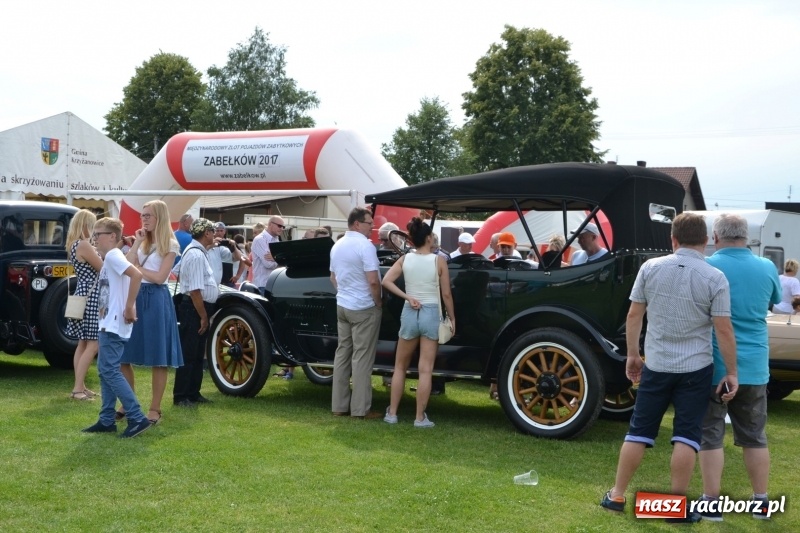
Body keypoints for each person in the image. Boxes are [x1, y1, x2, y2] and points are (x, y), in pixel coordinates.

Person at [600, 212, 738, 524]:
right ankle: (675, 506)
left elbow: (634, 315)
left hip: (658, 362)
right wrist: (732, 372)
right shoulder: (715, 277)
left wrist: (633, 355)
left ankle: (617, 494)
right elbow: (724, 330)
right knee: (686, 436)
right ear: (705, 242)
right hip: (696, 366)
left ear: (672, 239)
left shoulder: (650, 268)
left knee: (639, 431)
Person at [698, 213, 781, 521]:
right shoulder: (767, 266)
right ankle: (761, 502)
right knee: (755, 436)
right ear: (747, 237)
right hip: (756, 365)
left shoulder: (708, 266)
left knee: (710, 434)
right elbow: (774, 301)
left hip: (715, 363)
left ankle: (711, 503)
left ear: (715, 237)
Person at [381, 217, 455, 428]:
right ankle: (419, 417)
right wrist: (453, 317)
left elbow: (386, 281)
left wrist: (407, 297)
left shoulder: (406, 259)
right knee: (425, 369)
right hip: (431, 312)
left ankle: (392, 413)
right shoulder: (438, 260)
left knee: (399, 367)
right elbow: (446, 294)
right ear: (429, 238)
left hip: (410, 311)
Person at [81, 217, 150, 438]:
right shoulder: (115, 256)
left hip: (113, 323)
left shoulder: (112, 255)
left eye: (97, 235)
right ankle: (106, 419)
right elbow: (129, 265)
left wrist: (130, 307)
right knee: (105, 371)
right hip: (109, 323)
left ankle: (137, 417)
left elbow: (136, 275)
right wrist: (137, 243)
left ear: (111, 236)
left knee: (109, 370)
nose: (94, 241)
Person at [119, 200, 184, 425]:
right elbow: (127, 266)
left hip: (156, 299)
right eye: (142, 215)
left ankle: (155, 408)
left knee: (159, 357)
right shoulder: (144, 241)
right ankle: (128, 403)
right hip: (135, 295)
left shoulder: (171, 244)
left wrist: (137, 269)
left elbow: (159, 277)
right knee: (123, 353)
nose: (144, 219)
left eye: (148, 215)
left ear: (159, 217)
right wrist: (136, 243)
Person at [329, 207, 383, 419]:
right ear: (357, 224)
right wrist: (377, 302)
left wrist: (344, 292)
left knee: (342, 355)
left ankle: (339, 406)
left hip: (342, 304)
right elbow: (373, 280)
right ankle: (360, 410)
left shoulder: (338, 245)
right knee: (361, 358)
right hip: (363, 306)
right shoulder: (365, 246)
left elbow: (333, 277)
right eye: (370, 223)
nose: (372, 227)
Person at [173, 218, 220, 407]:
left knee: (198, 352)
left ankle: (193, 392)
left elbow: (177, 271)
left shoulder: (197, 253)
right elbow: (194, 290)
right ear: (206, 233)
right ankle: (181, 395)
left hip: (197, 307)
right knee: (189, 352)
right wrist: (203, 316)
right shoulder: (196, 255)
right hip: (194, 308)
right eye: (212, 231)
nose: (215, 235)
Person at [65, 209, 103, 401]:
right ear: (86, 225)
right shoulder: (84, 245)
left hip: (83, 293)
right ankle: (78, 388)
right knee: (93, 344)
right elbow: (102, 268)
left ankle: (79, 386)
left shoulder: (74, 244)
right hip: (92, 296)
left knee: (83, 342)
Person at [251, 216, 284, 291]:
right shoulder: (260, 239)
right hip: (262, 285)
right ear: (270, 224)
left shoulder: (276, 239)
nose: (281, 229)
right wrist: (280, 259)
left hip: (274, 285)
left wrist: (276, 258)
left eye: (283, 226)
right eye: (279, 226)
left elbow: (282, 263)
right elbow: (268, 264)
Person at [209, 221, 244, 288]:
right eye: (217, 231)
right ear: (213, 232)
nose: (219, 233)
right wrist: (212, 244)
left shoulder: (229, 243)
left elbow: (242, 259)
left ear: (225, 231)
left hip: (227, 280)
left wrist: (237, 276)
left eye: (221, 231)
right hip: (213, 280)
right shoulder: (210, 243)